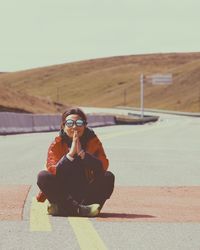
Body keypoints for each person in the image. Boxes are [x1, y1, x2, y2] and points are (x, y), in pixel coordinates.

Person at [36, 107, 115, 217]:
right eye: (69, 123)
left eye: (79, 123)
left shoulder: (94, 141)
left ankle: (63, 209)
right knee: (43, 176)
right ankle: (79, 210)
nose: (74, 126)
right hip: (63, 193)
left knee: (108, 176)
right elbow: (53, 170)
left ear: (85, 125)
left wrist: (83, 154)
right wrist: (70, 155)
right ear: (63, 126)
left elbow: (102, 166)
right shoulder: (57, 144)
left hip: (86, 193)